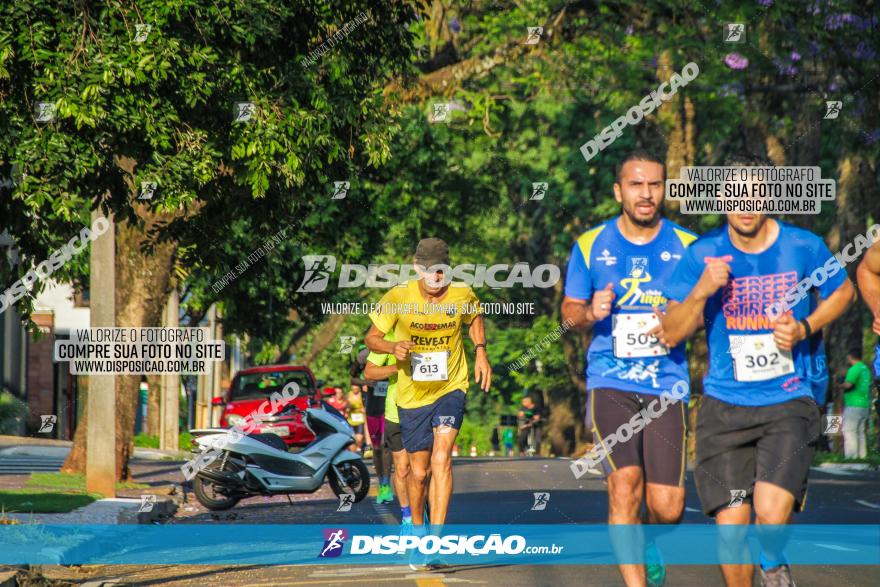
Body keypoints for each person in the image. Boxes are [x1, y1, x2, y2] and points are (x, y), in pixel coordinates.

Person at [660, 154, 856, 587]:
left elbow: (844, 292)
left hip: (788, 401)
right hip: (723, 407)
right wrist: (702, 291)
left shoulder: (802, 247)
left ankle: (771, 560)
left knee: (768, 512)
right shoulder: (703, 255)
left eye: (756, 192)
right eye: (734, 192)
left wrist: (806, 325)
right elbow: (671, 332)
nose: (745, 202)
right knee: (731, 532)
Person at [562, 150, 696, 587]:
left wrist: (681, 317)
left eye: (655, 184)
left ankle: (650, 540)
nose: (646, 194)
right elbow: (568, 311)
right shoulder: (589, 244)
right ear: (619, 190)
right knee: (624, 486)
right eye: (636, 185)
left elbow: (703, 313)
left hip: (667, 386)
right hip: (610, 381)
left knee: (668, 506)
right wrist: (588, 313)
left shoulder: (689, 246)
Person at [365, 237, 491, 568]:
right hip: (412, 394)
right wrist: (393, 348)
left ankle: (436, 541)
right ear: (417, 269)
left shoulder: (462, 294)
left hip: (451, 386)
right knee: (418, 474)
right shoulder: (397, 297)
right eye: (430, 271)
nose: (436, 277)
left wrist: (481, 352)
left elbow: (475, 318)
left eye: (442, 270)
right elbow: (371, 338)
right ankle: (418, 534)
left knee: (441, 458)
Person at [364, 332, 414, 528]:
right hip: (395, 410)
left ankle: (426, 516)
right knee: (401, 468)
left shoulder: (432, 330)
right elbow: (368, 373)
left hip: (427, 409)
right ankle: (407, 518)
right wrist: (397, 367)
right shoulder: (389, 337)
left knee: (422, 470)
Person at [352, 344, 394, 504]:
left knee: (385, 445)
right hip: (372, 408)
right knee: (376, 448)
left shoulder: (393, 351)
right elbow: (352, 377)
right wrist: (366, 382)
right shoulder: (364, 355)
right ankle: (381, 480)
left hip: (389, 406)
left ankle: (386, 484)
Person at [842, 348, 872, 459]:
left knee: (849, 431)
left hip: (853, 403)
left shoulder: (854, 369)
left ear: (850, 357)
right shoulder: (865, 369)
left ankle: (851, 457)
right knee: (861, 432)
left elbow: (848, 384)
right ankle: (862, 457)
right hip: (864, 404)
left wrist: (840, 385)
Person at [346, 384, 366, 454]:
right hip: (351, 419)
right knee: (352, 437)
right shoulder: (349, 395)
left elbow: (365, 405)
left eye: (356, 388)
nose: (355, 390)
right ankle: (354, 452)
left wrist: (363, 409)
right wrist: (347, 409)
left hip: (360, 419)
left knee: (359, 438)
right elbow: (346, 405)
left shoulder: (362, 395)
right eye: (353, 388)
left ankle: (359, 449)